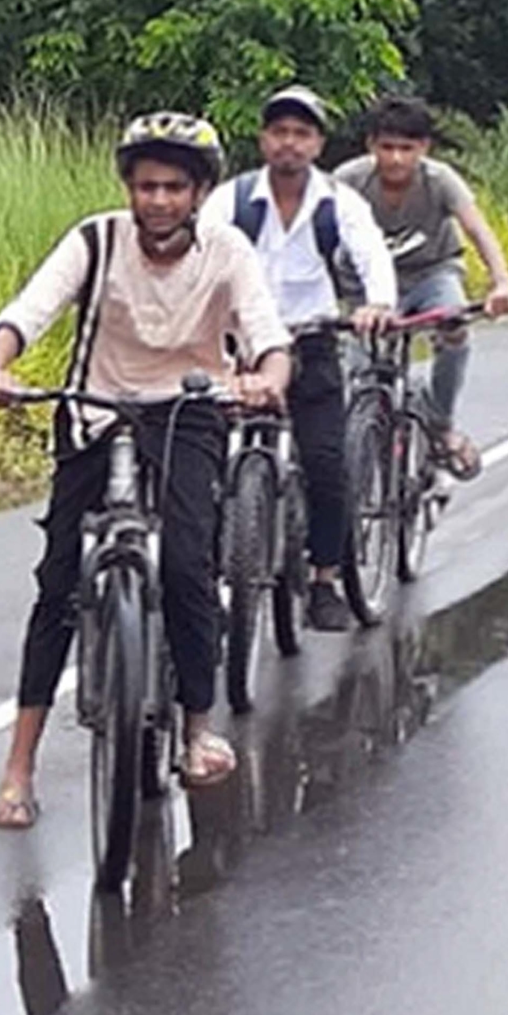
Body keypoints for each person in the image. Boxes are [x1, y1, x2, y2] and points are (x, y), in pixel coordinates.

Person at [0, 112, 292, 830]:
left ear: (200, 192)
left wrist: (266, 379)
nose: (159, 201)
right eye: (146, 186)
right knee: (58, 585)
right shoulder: (97, 239)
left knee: (186, 564)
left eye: (175, 187)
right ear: (128, 188)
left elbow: (266, 332)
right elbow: (31, 309)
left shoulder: (227, 250)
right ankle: (18, 769)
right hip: (93, 410)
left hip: (188, 412)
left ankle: (197, 728)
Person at [203, 85, 397, 632]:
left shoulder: (338, 203)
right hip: (237, 348)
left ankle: (324, 579)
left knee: (327, 465)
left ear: (318, 144)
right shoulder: (231, 200)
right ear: (263, 139)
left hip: (311, 342)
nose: (289, 142)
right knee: (204, 463)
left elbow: (371, 254)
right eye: (279, 131)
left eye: (301, 133)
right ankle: (211, 580)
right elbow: (198, 252)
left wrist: (378, 304)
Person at [335, 94, 508, 478]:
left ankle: (441, 424)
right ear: (371, 146)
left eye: (407, 148)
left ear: (424, 148)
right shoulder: (349, 181)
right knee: (356, 368)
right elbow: (314, 236)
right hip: (363, 289)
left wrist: (502, 281)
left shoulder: (440, 180)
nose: (396, 159)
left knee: (455, 329)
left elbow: (477, 229)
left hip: (430, 274)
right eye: (387, 147)